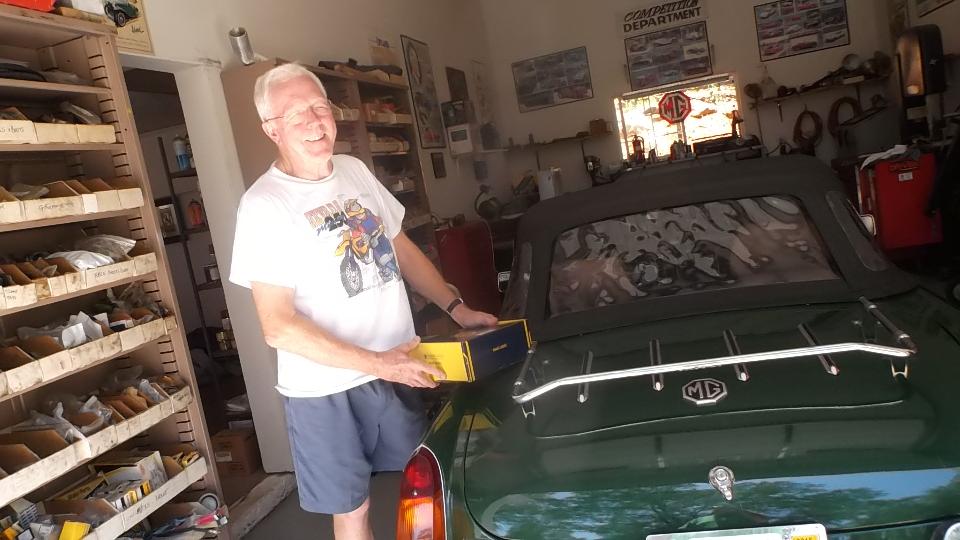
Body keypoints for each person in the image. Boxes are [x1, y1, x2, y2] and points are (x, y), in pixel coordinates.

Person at [228, 63, 497, 539]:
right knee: (353, 508)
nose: (314, 121)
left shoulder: (354, 170)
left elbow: (400, 247)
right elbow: (278, 325)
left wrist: (455, 308)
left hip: (396, 365)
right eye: (296, 114)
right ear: (272, 129)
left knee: (429, 483)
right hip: (325, 389)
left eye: (319, 107)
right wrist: (378, 364)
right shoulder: (264, 205)